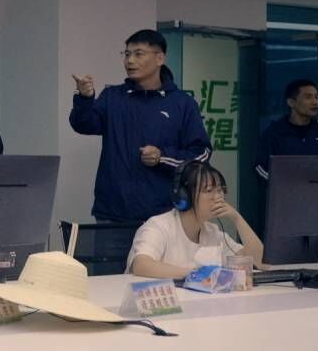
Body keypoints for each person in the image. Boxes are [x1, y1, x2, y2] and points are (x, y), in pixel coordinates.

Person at [69, 29, 211, 223]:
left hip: (163, 216)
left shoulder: (182, 103)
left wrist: (162, 157)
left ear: (160, 58)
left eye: (138, 54)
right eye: (127, 54)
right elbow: (83, 125)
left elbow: (201, 154)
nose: (130, 61)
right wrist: (85, 98)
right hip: (112, 214)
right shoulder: (112, 97)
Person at [127, 161, 263, 279]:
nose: (218, 197)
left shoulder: (213, 232)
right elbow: (141, 265)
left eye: (220, 190)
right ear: (184, 196)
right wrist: (197, 275)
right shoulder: (158, 226)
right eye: (209, 190)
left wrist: (237, 218)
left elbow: (259, 261)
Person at [253, 78, 318, 181]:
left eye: (316, 97)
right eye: (308, 97)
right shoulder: (274, 133)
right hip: (285, 189)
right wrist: (282, 184)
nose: (315, 102)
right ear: (291, 102)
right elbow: (261, 167)